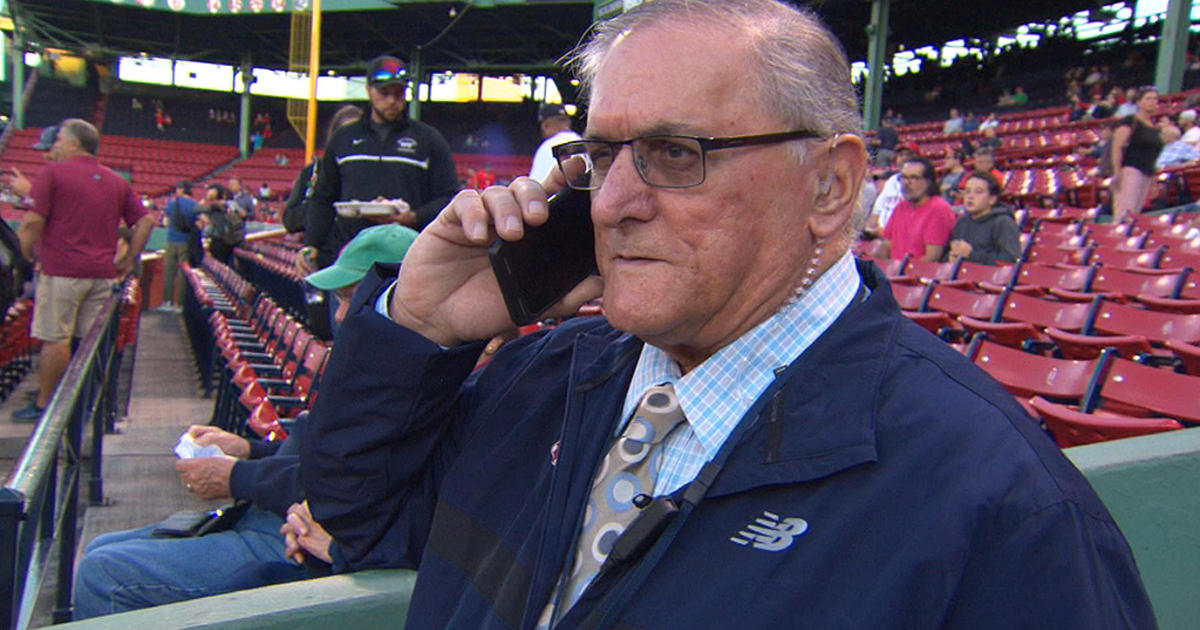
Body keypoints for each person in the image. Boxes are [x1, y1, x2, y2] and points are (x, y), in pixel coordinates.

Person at [296, 1, 1155, 628]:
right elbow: (362, 517)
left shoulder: (997, 508)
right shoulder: (546, 373)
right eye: (600, 155)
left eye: (677, 153)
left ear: (831, 185)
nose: (612, 203)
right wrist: (419, 328)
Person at [71, 223, 419, 619]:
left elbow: (345, 484)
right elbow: (325, 456)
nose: (338, 314)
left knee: (101, 575)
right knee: (100, 549)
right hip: (271, 512)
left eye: (348, 298)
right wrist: (250, 448)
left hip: (296, 540)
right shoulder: (365, 361)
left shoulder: (407, 382)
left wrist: (236, 476)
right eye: (337, 299)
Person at [12, 119, 154, 422]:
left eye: (60, 140)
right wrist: (129, 261)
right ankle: (84, 404)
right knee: (88, 344)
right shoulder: (115, 180)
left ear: (74, 143)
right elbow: (145, 222)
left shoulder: (52, 173)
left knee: (56, 338)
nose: (56, 145)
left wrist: (24, 256)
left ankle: (45, 405)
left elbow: (32, 223)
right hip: (101, 275)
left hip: (62, 271)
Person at [301, 55, 459, 272]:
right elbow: (323, 197)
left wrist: (413, 216)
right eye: (384, 93)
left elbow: (449, 197)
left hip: (404, 259)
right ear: (368, 90)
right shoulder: (343, 139)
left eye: (398, 93)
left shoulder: (428, 140)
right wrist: (312, 243)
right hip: (348, 258)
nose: (392, 100)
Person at [282, 105, 361, 237]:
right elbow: (290, 219)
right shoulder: (314, 171)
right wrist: (321, 205)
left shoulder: (376, 172)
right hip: (325, 250)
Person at [881, 155, 956, 261]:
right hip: (894, 272)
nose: (907, 183)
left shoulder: (939, 208)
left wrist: (899, 271)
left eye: (914, 178)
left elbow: (931, 258)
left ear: (928, 182)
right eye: (904, 177)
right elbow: (887, 245)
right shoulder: (900, 206)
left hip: (916, 275)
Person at [1110, 86, 1165, 221]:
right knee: (1125, 214)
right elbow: (1117, 146)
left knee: (1135, 215)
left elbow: (1154, 156)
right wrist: (1117, 172)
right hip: (1131, 169)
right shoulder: (1131, 120)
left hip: (1147, 172)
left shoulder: (1155, 127)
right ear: (1139, 102)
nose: (1152, 102)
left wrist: (1154, 180)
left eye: (1155, 99)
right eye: (1148, 99)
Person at [946, 171, 1022, 265]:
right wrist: (951, 257)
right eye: (967, 191)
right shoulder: (962, 221)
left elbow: (1010, 260)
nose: (970, 196)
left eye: (978, 192)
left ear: (992, 199)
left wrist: (971, 255)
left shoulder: (1003, 222)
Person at [159, 181, 200, 312]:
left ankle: (167, 302)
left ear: (181, 190)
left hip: (171, 240)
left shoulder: (172, 204)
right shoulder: (195, 205)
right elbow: (201, 223)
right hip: (186, 242)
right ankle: (180, 304)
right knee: (184, 274)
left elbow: (165, 221)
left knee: (169, 272)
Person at [529, 103, 583, 183]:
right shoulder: (583, 143)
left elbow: (536, 186)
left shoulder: (547, 147)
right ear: (568, 122)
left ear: (545, 125)